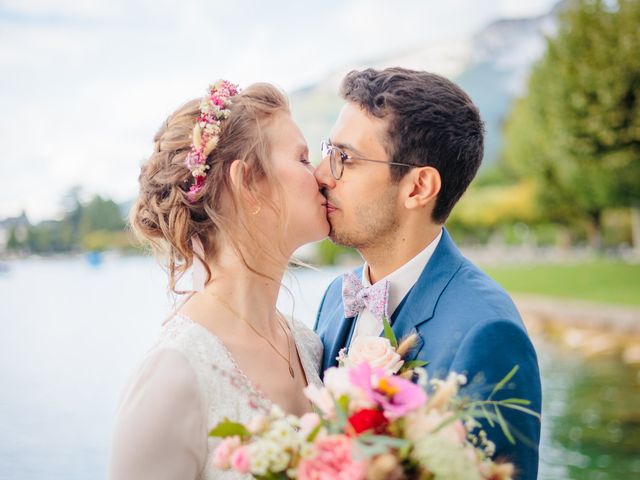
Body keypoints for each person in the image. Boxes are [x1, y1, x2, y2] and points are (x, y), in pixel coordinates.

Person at [314, 67, 542, 479]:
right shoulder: (335, 297)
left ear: (418, 187)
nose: (322, 174)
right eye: (328, 151)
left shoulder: (487, 332)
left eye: (344, 158)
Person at [108, 81, 329, 480]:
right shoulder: (174, 374)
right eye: (303, 159)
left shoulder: (307, 343)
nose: (323, 176)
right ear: (247, 182)